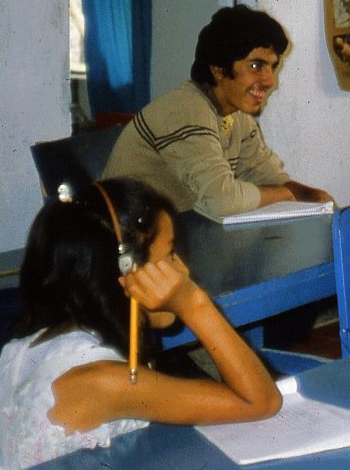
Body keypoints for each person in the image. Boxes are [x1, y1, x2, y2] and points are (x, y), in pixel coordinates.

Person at [0, 178, 281, 467]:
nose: (183, 270)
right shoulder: (103, 381)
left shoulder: (26, 347)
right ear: (126, 272)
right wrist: (193, 303)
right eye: (170, 255)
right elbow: (261, 401)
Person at [104, 5, 331, 221]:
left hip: (169, 234)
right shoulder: (186, 110)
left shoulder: (236, 117)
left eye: (272, 66)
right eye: (256, 66)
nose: (270, 80)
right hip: (123, 243)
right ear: (219, 70)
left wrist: (313, 197)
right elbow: (223, 200)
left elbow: (265, 176)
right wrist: (285, 194)